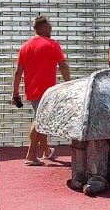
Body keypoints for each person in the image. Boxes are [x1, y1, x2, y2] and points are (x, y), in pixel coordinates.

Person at [12, 15, 70, 164]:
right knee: (39, 121)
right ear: (43, 28)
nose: (51, 29)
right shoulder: (52, 44)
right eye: (49, 26)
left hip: (33, 91)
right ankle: (30, 155)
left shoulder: (25, 46)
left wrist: (15, 93)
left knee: (42, 120)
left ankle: (46, 151)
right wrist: (69, 85)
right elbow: (63, 65)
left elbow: (18, 72)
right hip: (48, 91)